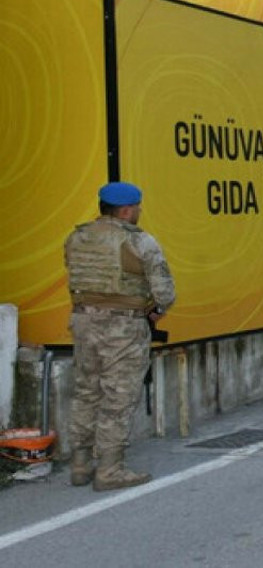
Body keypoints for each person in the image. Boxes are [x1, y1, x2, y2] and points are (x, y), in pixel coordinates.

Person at [65, 182, 175, 491]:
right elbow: (165, 292)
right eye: (137, 207)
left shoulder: (77, 237)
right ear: (126, 210)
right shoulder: (139, 241)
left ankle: (80, 465)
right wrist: (156, 312)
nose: (139, 212)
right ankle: (110, 470)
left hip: (83, 321)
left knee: (86, 392)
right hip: (123, 327)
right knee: (118, 397)